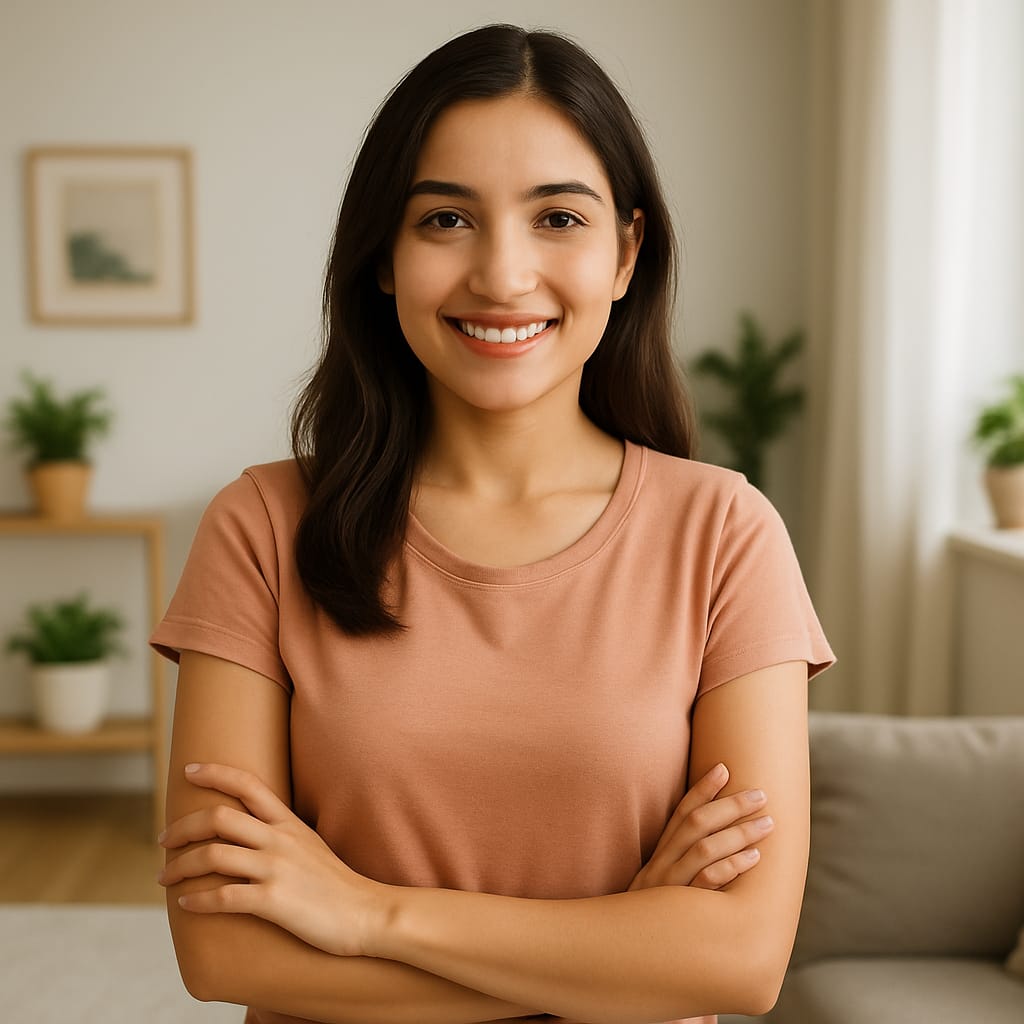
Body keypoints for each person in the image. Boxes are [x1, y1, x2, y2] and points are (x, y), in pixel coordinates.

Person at [151, 23, 834, 1024]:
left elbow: (737, 960)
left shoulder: (725, 532)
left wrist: (365, 913)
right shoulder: (260, 526)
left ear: (625, 253)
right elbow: (223, 949)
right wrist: (617, 945)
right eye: (444, 221)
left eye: (558, 217)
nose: (502, 275)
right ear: (382, 254)